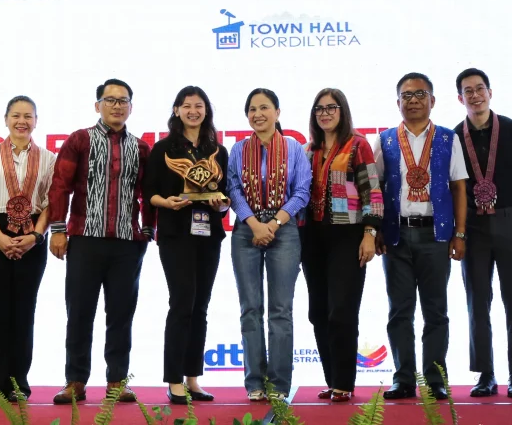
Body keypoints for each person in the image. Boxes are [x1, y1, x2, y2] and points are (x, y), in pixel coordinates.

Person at [48, 79, 155, 404]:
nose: (117, 106)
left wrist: (147, 230)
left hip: (126, 243)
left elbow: (148, 193)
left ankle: (117, 381)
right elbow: (60, 184)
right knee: (79, 313)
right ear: (98, 105)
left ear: (131, 107)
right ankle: (75, 381)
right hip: (84, 239)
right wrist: (58, 229)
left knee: (121, 315)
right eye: (110, 100)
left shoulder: (141, 147)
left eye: (123, 100)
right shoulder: (80, 140)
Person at [373, 72, 468, 400]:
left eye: (420, 94)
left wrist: (460, 233)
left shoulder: (447, 139)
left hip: (436, 236)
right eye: (407, 95)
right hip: (396, 236)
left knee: (435, 311)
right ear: (398, 102)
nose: (413, 100)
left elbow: (459, 187)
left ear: (432, 100)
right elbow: (375, 189)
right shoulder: (385, 140)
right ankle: (403, 379)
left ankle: (435, 379)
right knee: (399, 311)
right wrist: (376, 229)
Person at [144, 86, 229, 404]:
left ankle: (193, 378)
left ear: (207, 110)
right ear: (176, 110)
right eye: (187, 105)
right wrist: (167, 202)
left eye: (199, 105)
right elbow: (149, 194)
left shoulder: (217, 150)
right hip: (175, 234)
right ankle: (174, 380)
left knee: (201, 307)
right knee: (182, 302)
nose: (193, 111)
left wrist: (221, 204)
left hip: (209, 235)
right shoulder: (163, 148)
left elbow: (224, 196)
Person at [452, 68, 512, 398]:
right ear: (460, 98)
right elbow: (454, 185)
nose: (475, 95)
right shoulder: (455, 136)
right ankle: (485, 374)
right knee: (477, 301)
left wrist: (509, 206)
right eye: (468, 91)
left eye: (480, 89)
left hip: (509, 220)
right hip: (472, 225)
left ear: (490, 92)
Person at [0, 96, 56, 404]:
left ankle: (18, 383)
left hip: (32, 237)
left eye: (28, 116)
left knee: (23, 312)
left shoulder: (49, 158)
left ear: (36, 121)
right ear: (6, 119)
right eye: (16, 115)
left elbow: (50, 203)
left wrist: (35, 236)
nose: (22, 121)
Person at [227, 88, 311, 401]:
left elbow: (301, 192)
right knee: (250, 309)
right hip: (246, 231)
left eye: (264, 107)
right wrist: (254, 224)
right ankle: (254, 383)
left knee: (281, 310)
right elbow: (234, 190)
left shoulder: (294, 148)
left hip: (284, 231)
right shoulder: (238, 149)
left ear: (277, 112)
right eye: (252, 109)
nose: (258, 114)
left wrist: (273, 224)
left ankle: (279, 385)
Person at [301, 88, 384, 402]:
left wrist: (369, 233)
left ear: (342, 111)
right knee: (318, 312)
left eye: (331, 108)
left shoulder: (358, 145)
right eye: (319, 109)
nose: (325, 113)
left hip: (348, 236)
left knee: (342, 311)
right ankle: (332, 380)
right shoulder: (309, 150)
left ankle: (345, 383)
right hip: (313, 238)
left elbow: (372, 193)